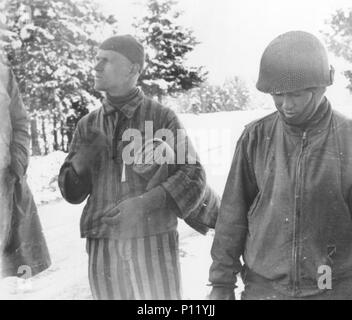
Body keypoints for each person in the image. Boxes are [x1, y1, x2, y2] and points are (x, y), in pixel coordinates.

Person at [58, 34, 208, 300]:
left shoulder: (161, 117)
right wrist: (80, 163)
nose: (96, 67)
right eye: (96, 59)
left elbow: (194, 176)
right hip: (102, 245)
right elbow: (72, 194)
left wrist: (144, 204)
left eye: (107, 60)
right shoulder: (87, 125)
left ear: (133, 70)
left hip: (152, 243)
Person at [208, 30, 352, 300]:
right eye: (277, 94)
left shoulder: (348, 139)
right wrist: (221, 283)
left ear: (321, 87)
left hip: (334, 288)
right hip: (265, 289)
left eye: (296, 95)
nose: (286, 105)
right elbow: (232, 216)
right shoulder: (255, 137)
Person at [0, 47, 50, 279]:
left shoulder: (3, 74)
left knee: (12, 277)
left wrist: (17, 161)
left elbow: (20, 122)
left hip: (5, 185)